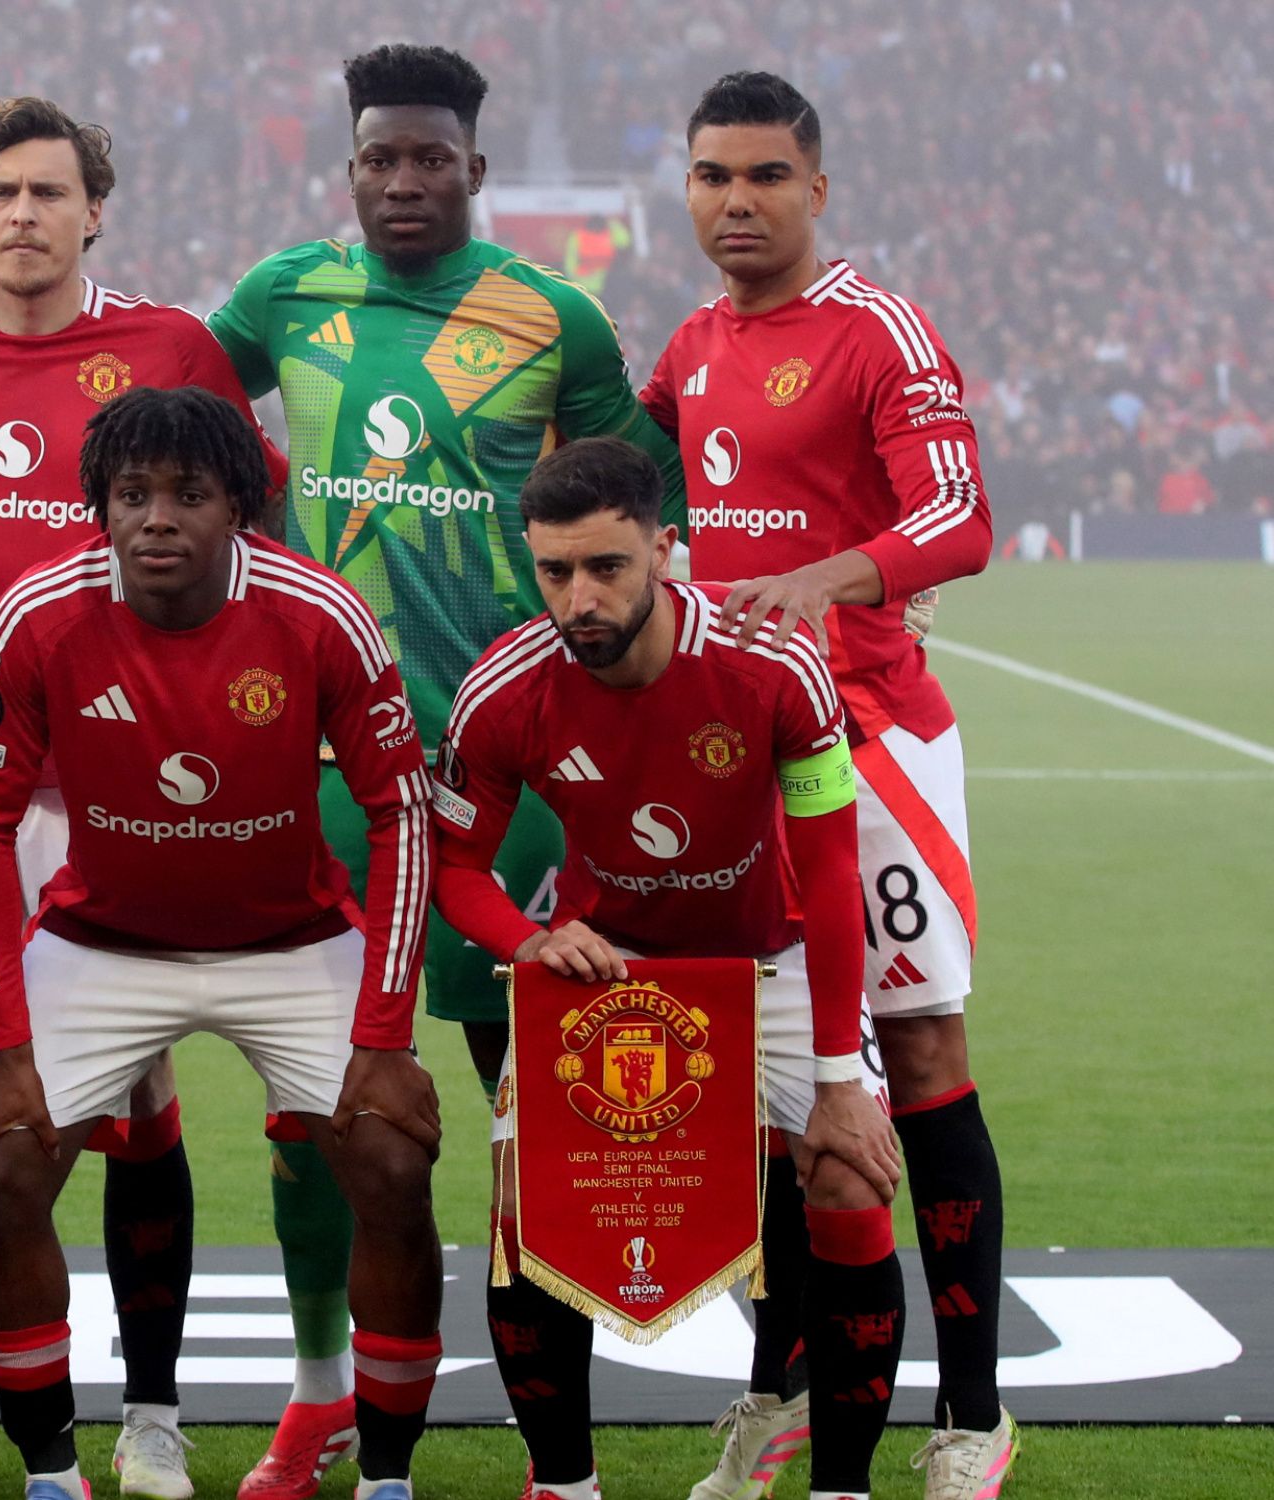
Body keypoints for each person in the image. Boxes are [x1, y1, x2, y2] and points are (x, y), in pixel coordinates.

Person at [0, 49, 684, 1496]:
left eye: (429, 157)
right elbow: (151, 393)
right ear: (351, 166)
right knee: (328, 1138)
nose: (403, 180)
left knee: (539, 1115)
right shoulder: (284, 296)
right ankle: (319, 1402)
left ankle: (556, 1450)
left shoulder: (555, 316)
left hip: (511, 764)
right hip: (318, 761)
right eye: (379, 156)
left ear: (475, 168)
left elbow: (642, 497)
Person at [0, 93, 272, 1500]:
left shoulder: (169, 348)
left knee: (140, 1100)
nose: (22, 215)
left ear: (96, 210)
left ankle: (150, 1412)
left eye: (48, 193)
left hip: (112, 791)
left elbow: (248, 517)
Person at [0, 386, 443, 1500]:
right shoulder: (37, 613)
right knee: (1, 1164)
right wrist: (9, 1042)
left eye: (189, 494)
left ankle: (388, 1476)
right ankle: (51, 1474)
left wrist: (384, 1036)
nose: (157, 519)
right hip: (103, 943)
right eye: (132, 495)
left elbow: (402, 811)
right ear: (101, 507)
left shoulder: (319, 611)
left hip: (292, 942)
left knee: (390, 1159)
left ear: (240, 509)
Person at [637, 71, 1012, 1500]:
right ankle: (779, 1392)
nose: (736, 201)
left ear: (817, 189)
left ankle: (971, 1418)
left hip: (873, 747)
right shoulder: (691, 345)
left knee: (916, 1060)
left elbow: (960, 518)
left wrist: (830, 577)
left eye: (765, 176)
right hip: (737, 757)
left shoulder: (877, 331)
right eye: (712, 176)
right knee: (769, 1084)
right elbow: (616, 465)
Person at [429, 436, 907, 1500]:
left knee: (849, 1178)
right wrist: (528, 940)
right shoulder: (505, 689)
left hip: (777, 960)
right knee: (526, 1206)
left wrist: (838, 1079)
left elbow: (833, 875)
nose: (580, 598)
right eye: (556, 571)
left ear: (664, 550)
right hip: (618, 969)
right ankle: (564, 1485)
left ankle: (842, 1487)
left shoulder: (773, 663)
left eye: (607, 566)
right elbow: (455, 869)